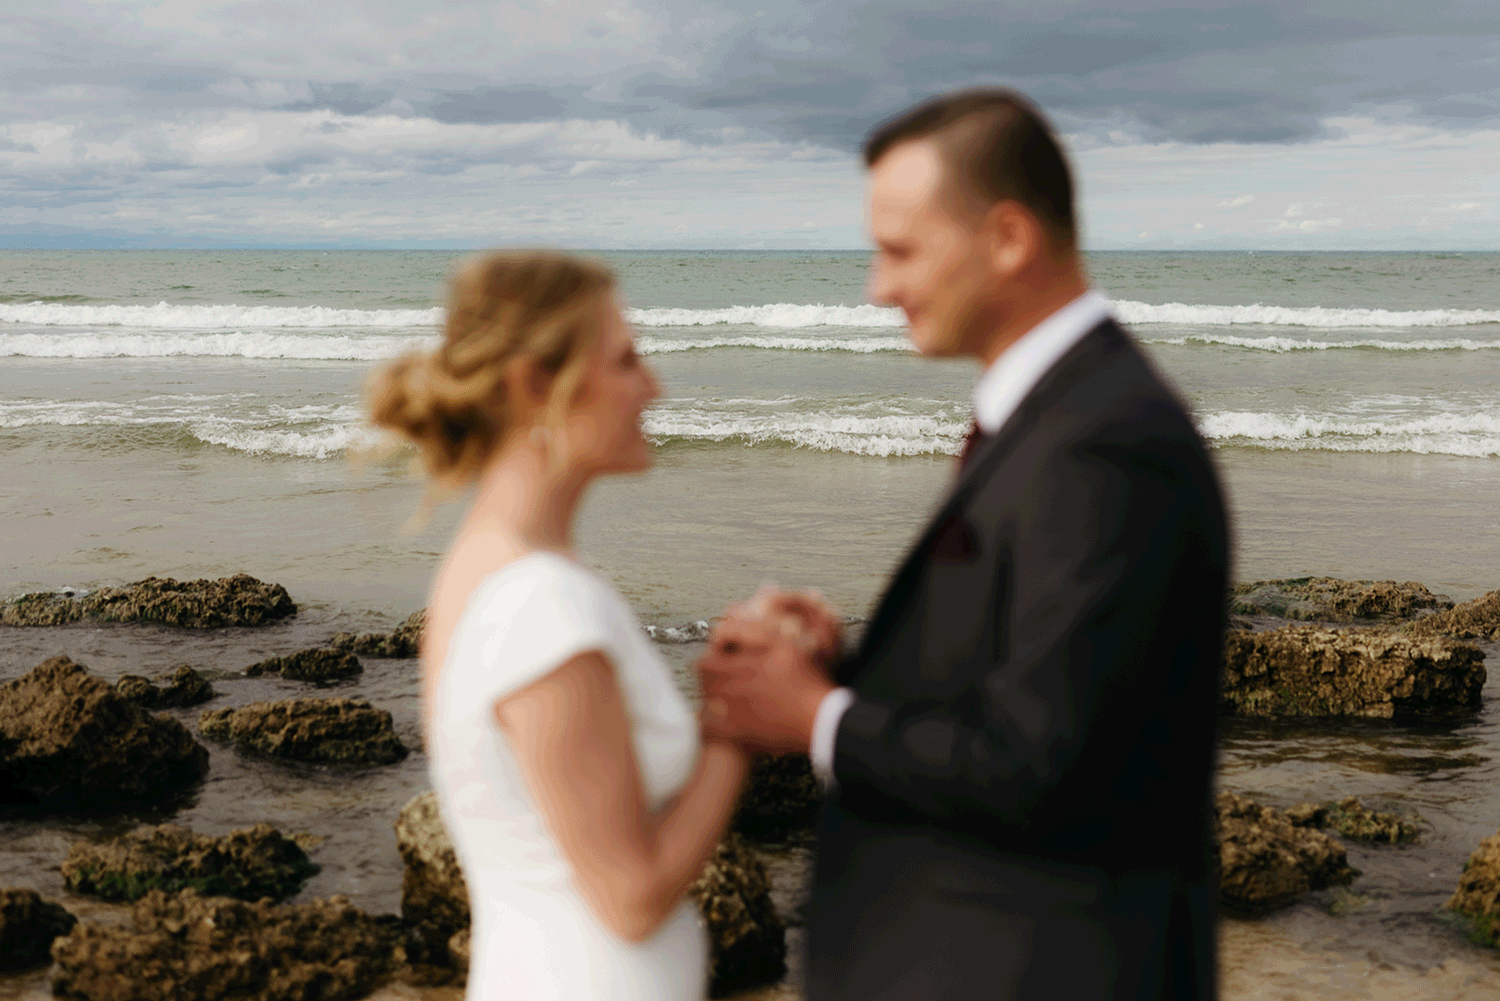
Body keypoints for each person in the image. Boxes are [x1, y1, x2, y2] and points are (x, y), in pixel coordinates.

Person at [698, 89, 1229, 1000]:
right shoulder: (1057, 417)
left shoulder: (1105, 445)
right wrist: (847, 669)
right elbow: (1025, 690)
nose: (878, 286)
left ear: (1009, 239)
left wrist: (816, 717)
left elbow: (1045, 769)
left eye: (900, 249)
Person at [369, 251, 748, 1000]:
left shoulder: (489, 565)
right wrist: (738, 733)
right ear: (535, 384)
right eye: (627, 360)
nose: (653, 387)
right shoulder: (538, 598)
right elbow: (631, 897)